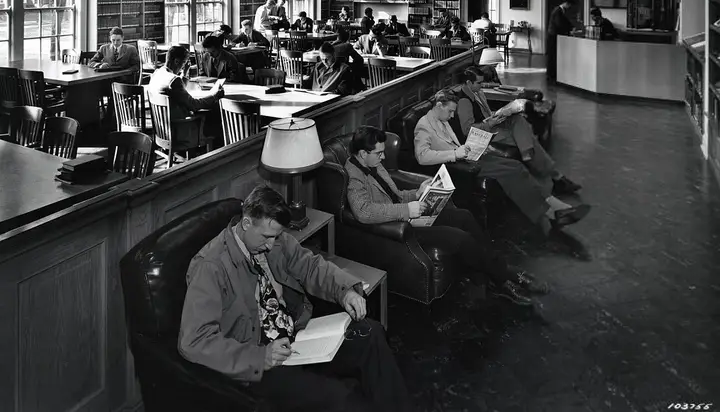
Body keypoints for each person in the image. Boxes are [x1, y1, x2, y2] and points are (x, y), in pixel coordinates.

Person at [178, 185, 413, 412]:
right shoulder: (211, 267)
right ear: (246, 223)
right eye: (266, 237)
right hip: (260, 359)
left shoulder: (274, 239)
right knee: (341, 399)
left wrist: (345, 290)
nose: (271, 245)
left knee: (370, 333)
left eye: (276, 236)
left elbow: (310, 266)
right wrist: (261, 356)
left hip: (297, 336)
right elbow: (194, 341)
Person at [345, 126, 548, 305]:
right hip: (399, 227)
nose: (383, 157)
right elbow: (364, 212)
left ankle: (495, 273)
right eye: (379, 153)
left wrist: (416, 193)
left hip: (409, 215)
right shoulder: (354, 177)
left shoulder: (373, 164)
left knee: (465, 216)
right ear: (363, 153)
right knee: (461, 239)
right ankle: (505, 277)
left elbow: (394, 195)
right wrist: (406, 210)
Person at [414, 90, 590, 235]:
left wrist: (475, 147)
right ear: (439, 106)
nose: (453, 116)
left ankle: (555, 206)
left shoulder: (442, 120)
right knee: (511, 173)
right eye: (450, 111)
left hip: (467, 157)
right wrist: (454, 154)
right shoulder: (424, 126)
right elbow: (422, 157)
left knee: (517, 166)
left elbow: (456, 141)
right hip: (458, 167)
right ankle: (552, 213)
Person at [454, 68, 581, 196]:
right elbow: (467, 130)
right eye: (479, 83)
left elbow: (485, 114)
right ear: (469, 83)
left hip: (492, 125)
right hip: (484, 135)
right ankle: (555, 176)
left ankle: (533, 158)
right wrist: (490, 123)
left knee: (517, 118)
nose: (482, 86)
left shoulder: (478, 93)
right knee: (528, 140)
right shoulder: (464, 101)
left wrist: (498, 114)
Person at [148, 45, 224, 148]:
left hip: (162, 129)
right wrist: (214, 96)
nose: (183, 66)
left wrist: (184, 73)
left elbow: (176, 90)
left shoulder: (157, 73)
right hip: (179, 131)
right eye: (183, 63)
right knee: (216, 118)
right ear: (176, 61)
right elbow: (193, 105)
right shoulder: (174, 80)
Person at [547, 0, 574, 81]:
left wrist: (571, 27)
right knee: (552, 55)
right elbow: (560, 24)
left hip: (553, 35)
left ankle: (552, 73)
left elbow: (564, 21)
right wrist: (569, 30)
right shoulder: (558, 11)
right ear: (566, 3)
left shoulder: (559, 10)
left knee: (554, 54)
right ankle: (551, 74)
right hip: (553, 35)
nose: (569, 7)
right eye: (569, 5)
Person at [333, 27, 365, 92]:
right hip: (344, 74)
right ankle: (359, 87)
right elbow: (359, 59)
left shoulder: (330, 46)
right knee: (353, 70)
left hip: (331, 74)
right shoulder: (347, 46)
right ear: (347, 38)